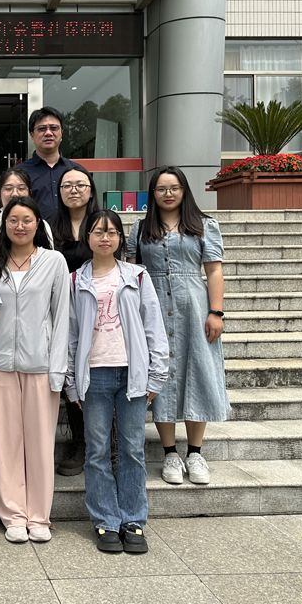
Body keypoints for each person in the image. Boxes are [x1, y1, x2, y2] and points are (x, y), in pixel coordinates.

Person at [66, 210, 168, 554]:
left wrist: (157, 373)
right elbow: (71, 335)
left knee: (132, 449)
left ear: (121, 238)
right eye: (98, 232)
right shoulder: (75, 280)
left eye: (111, 232)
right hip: (94, 374)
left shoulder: (137, 276)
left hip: (131, 373)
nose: (105, 238)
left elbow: (153, 325)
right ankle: (105, 519)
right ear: (88, 238)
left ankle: (133, 519)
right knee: (96, 450)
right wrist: (70, 381)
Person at [127, 166, 228, 486]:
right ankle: (170, 452)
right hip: (153, 308)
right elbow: (131, 272)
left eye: (174, 188)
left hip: (193, 308)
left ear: (184, 190)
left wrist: (216, 312)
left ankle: (195, 452)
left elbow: (213, 271)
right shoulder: (140, 228)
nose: (168, 194)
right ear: (152, 194)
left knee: (197, 372)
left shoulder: (204, 225)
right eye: (161, 189)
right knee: (161, 374)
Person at [0, 197, 69, 544]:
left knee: (40, 443)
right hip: (0, 365)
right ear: (4, 224)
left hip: (41, 365)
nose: (20, 226)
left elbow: (62, 316)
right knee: (6, 443)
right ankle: (13, 515)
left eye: (27, 220)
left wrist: (58, 368)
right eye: (13, 220)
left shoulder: (53, 261)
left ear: (38, 224)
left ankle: (38, 516)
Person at [49, 163, 99, 477]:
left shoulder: (103, 223)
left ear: (91, 191)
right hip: (62, 310)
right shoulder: (51, 229)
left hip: (99, 310)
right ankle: (80, 442)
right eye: (67, 185)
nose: (74, 190)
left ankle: (106, 444)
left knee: (100, 373)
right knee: (71, 374)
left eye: (80, 185)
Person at [0, 167, 53, 258]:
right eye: (8, 188)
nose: (15, 194)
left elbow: (50, 260)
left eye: (21, 188)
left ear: (30, 194)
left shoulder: (41, 224)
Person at [19, 106, 75, 220]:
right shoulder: (19, 173)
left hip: (72, 231)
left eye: (54, 128)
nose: (48, 133)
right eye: (42, 129)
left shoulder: (76, 171)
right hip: (34, 231)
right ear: (32, 136)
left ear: (61, 134)